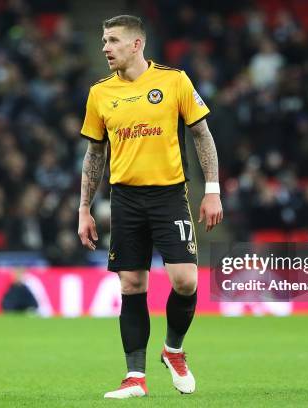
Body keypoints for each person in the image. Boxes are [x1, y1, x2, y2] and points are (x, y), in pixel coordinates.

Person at [77, 15, 223, 399]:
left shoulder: (174, 81)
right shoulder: (100, 93)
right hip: (124, 197)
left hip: (169, 194)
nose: (105, 48)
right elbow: (94, 154)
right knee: (131, 283)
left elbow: (202, 136)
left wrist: (213, 190)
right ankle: (135, 377)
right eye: (103, 40)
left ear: (137, 44)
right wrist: (84, 209)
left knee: (185, 280)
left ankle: (173, 350)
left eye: (112, 40)